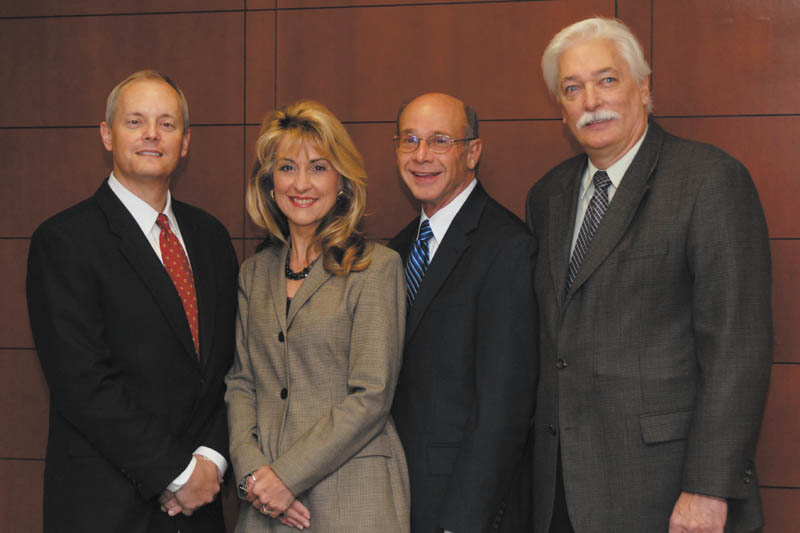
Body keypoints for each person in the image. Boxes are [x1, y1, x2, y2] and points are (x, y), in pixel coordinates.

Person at [525, 17, 772, 532]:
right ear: (562, 110)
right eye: (572, 88)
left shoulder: (708, 180)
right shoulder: (546, 197)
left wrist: (708, 488)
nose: (591, 99)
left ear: (644, 88)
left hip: (667, 490)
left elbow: (737, 349)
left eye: (607, 79)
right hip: (561, 493)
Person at [26, 70, 238, 532]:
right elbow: (81, 383)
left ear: (184, 142)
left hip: (201, 507)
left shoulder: (211, 238)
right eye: (135, 121)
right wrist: (178, 474)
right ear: (107, 134)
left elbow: (231, 368)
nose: (151, 135)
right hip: (105, 507)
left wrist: (212, 461)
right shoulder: (64, 241)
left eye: (167, 123)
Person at [225, 100, 410, 532]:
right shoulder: (254, 273)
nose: (301, 184)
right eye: (287, 168)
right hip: (265, 503)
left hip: (353, 497)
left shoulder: (376, 267)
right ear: (270, 184)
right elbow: (241, 383)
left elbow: (371, 397)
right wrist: (254, 474)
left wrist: (287, 476)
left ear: (342, 181)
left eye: (319, 167)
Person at [388, 92, 538, 533]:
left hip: (463, 510)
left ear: (473, 152)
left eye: (439, 141)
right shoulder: (394, 251)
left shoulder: (507, 247)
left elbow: (504, 408)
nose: (421, 156)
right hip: (395, 497)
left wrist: (463, 521)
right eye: (409, 140)